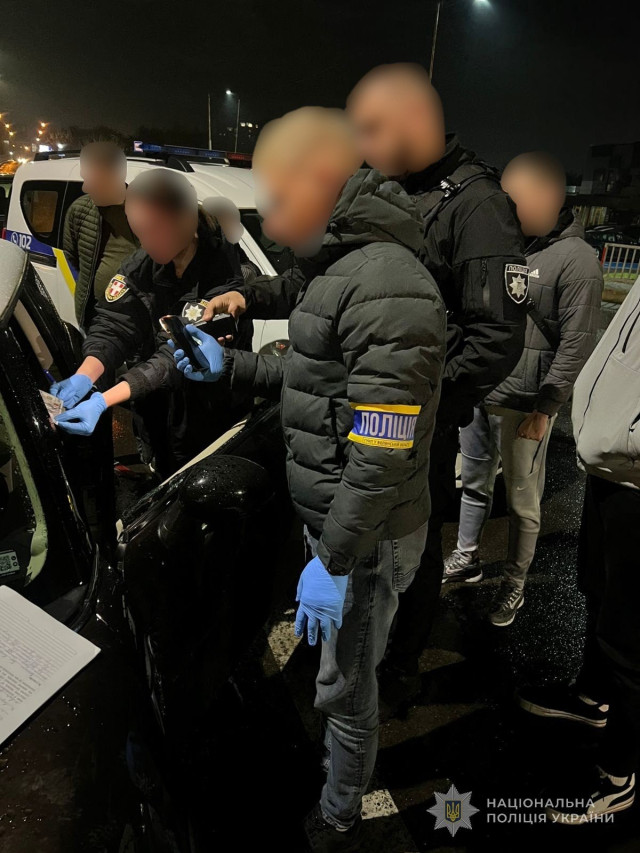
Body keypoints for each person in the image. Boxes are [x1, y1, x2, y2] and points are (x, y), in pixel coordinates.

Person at [173, 106, 446, 851]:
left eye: (276, 201)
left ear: (323, 182)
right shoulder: (344, 269)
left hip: (365, 538)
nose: (267, 225)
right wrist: (231, 366)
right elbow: (315, 380)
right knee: (337, 669)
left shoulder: (387, 284)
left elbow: (382, 453)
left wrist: (335, 559)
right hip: (342, 527)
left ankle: (340, 810)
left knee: (348, 686)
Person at [344, 62, 529, 712]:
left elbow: (493, 340)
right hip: (364, 409)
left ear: (415, 121)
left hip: (416, 420)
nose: (361, 144)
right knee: (364, 541)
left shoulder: (477, 204)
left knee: (407, 551)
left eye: (372, 128)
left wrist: (419, 409)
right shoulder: (393, 191)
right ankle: (364, 651)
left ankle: (396, 672)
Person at [443, 152, 603, 627]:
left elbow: (576, 344)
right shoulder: (505, 245)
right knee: (473, 486)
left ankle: (514, 585)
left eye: (515, 201)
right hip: (481, 394)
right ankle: (467, 557)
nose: (507, 209)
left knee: (521, 503)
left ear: (549, 199)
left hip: (525, 405)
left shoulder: (577, 261)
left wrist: (545, 409)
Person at [516, 271, 640, 824]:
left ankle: (619, 773)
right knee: (596, 589)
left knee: (630, 636)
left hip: (635, 472)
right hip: (614, 463)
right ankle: (592, 699)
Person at [52, 169, 248, 478]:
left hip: (209, 416)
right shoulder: (143, 263)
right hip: (156, 415)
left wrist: (103, 400)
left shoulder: (223, 270)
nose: (146, 243)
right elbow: (115, 322)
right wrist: (85, 374)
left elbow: (177, 356)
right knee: (161, 477)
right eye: (139, 233)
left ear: (186, 221)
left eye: (154, 232)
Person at [63, 141, 138, 329]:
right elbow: (74, 258)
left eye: (93, 179)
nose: (85, 187)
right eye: (85, 178)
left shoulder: (147, 212)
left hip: (138, 323)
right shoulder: (79, 211)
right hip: (96, 320)